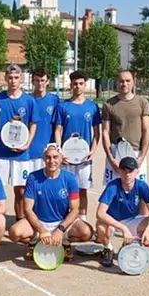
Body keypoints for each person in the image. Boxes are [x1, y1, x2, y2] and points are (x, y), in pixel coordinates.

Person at [8, 144, 93, 261]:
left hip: (61, 222)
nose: (51, 161)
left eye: (55, 157)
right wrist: (42, 231)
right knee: (14, 233)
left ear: (61, 158)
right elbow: (27, 209)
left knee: (86, 232)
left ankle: (64, 242)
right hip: (39, 222)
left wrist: (60, 230)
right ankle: (34, 242)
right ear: (43, 158)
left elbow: (75, 210)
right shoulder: (33, 177)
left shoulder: (70, 179)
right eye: (48, 157)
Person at [95, 156, 149, 267]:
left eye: (130, 171)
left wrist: (147, 231)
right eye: (124, 171)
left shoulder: (142, 186)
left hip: (132, 220)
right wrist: (123, 228)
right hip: (113, 222)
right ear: (119, 171)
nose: (127, 174)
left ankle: (132, 244)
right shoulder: (113, 186)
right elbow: (100, 213)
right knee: (100, 226)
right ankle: (107, 248)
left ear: (137, 172)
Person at [0, 64, 40, 221]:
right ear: (5, 78)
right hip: (0, 154)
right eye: (10, 77)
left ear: (22, 79)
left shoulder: (29, 101)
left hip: (21, 154)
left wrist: (27, 144)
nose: (13, 81)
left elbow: (33, 124)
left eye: (16, 77)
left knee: (21, 190)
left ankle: (20, 221)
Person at [53, 70, 101, 220]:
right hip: (67, 157)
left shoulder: (92, 107)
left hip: (84, 157)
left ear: (85, 85)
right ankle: (64, 219)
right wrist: (60, 152)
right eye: (75, 84)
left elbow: (96, 133)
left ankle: (83, 220)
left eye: (81, 83)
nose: (78, 86)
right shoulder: (62, 106)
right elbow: (58, 130)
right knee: (64, 189)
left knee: (82, 190)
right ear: (71, 85)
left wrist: (93, 151)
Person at [101, 70, 149, 186]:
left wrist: (141, 157)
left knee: (140, 193)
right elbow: (105, 132)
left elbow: (146, 131)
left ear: (133, 82)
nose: (124, 84)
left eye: (128, 81)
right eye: (121, 81)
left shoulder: (142, 103)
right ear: (117, 83)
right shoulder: (108, 104)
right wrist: (111, 158)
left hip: (136, 153)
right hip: (116, 153)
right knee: (113, 191)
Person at [28, 69, 60, 172]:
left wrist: (57, 147)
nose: (40, 83)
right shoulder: (27, 100)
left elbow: (58, 127)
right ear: (32, 82)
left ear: (47, 82)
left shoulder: (54, 100)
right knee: (24, 186)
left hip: (47, 151)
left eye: (43, 80)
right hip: (28, 151)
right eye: (37, 80)